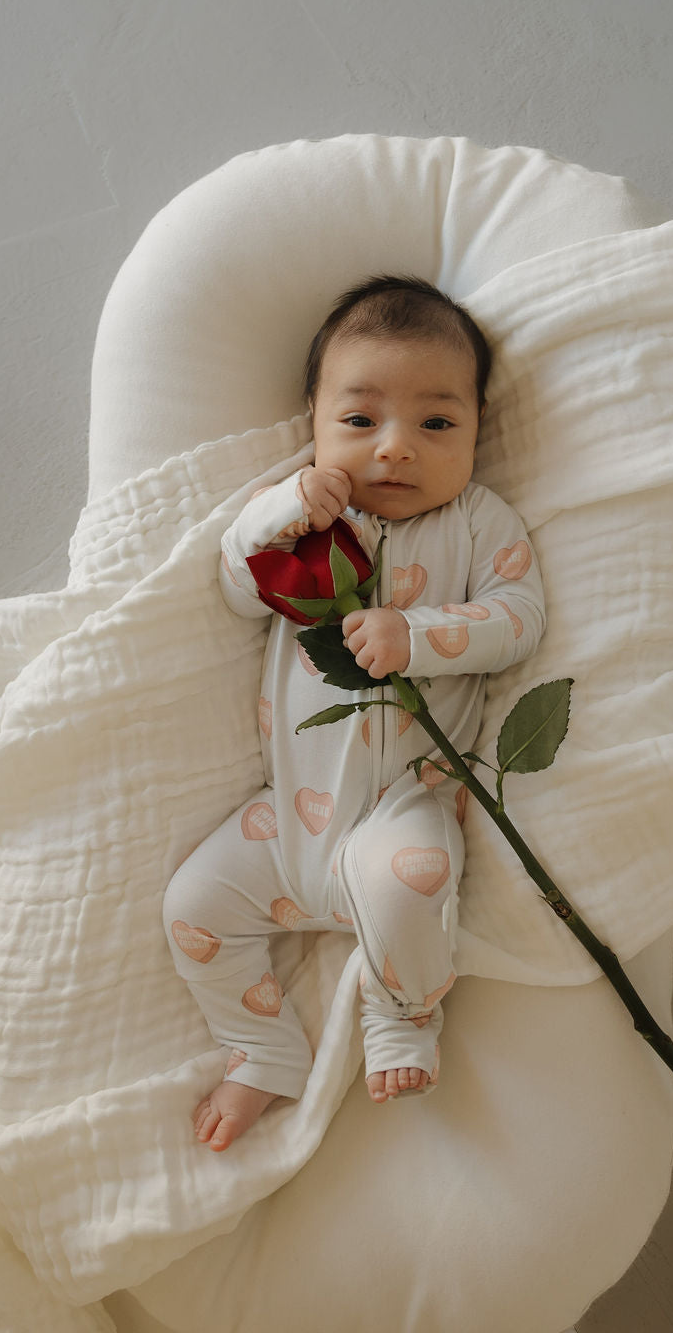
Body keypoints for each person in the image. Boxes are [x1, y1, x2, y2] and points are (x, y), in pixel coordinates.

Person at [162, 274, 545, 1152]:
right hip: (288, 823)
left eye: (437, 424)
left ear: (480, 428)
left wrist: (420, 636)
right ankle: (261, 1050)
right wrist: (277, 513)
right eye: (361, 421)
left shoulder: (480, 523)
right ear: (315, 423)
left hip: (400, 805)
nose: (397, 450)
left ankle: (401, 1013)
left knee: (409, 878)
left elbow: (520, 619)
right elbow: (235, 587)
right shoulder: (302, 518)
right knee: (193, 906)